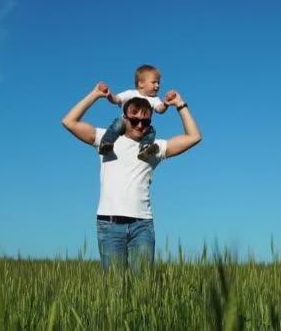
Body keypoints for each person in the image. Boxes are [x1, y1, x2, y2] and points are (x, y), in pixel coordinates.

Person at [62, 82, 201, 273]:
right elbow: (69, 121)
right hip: (109, 225)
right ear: (124, 118)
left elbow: (194, 137)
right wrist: (95, 95)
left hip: (142, 225)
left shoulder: (155, 148)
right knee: (114, 288)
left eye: (145, 122)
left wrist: (180, 104)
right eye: (134, 120)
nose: (140, 125)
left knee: (142, 289)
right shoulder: (106, 139)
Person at [100, 65, 169, 161]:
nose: (157, 86)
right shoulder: (130, 93)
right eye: (154, 82)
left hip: (141, 128)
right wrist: (109, 95)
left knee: (151, 130)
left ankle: (145, 148)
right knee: (118, 123)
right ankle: (106, 143)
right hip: (126, 123)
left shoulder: (154, 99)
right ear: (141, 83)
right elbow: (116, 99)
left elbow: (160, 109)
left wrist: (166, 104)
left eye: (158, 83)